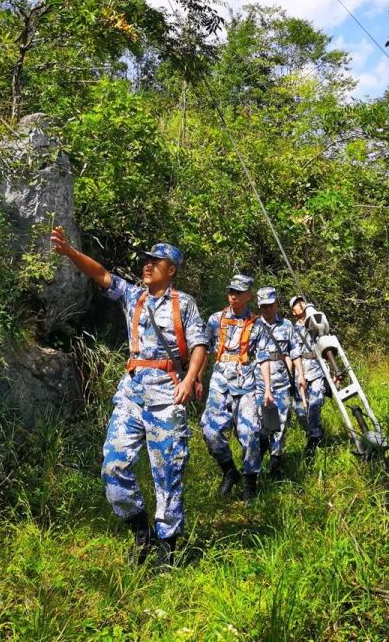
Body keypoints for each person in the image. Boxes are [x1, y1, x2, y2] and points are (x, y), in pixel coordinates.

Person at [50, 227, 207, 567]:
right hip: (132, 396)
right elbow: (102, 274)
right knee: (114, 466)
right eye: (147, 260)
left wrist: (190, 380)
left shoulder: (185, 304)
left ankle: (169, 549)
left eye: (156, 261)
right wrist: (70, 253)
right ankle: (142, 534)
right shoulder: (133, 296)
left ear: (171, 270)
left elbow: (199, 346)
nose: (147, 265)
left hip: (167, 397)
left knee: (168, 475)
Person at [199, 273, 263, 502]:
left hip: (246, 382)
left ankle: (250, 481)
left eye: (238, 292)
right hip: (220, 380)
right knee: (210, 430)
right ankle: (229, 472)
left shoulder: (257, 324)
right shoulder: (215, 319)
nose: (233, 296)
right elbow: (203, 349)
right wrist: (196, 377)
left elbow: (264, 359)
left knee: (249, 432)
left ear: (249, 295)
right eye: (230, 291)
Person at [254, 286, 306, 479]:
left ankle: (275, 466)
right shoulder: (254, 326)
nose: (266, 310)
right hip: (259, 384)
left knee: (280, 425)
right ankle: (255, 465)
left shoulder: (287, 326)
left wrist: (300, 375)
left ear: (276, 304)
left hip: (282, 383)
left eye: (269, 305)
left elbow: (295, 352)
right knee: (261, 426)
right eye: (262, 306)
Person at [289, 295, 328, 456]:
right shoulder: (291, 329)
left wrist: (332, 373)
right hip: (300, 372)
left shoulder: (315, 323)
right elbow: (290, 353)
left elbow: (326, 344)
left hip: (317, 370)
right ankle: (314, 433)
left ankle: (315, 438)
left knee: (315, 403)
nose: (301, 305)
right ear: (293, 312)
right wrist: (292, 377)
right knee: (299, 410)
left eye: (302, 302)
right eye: (297, 304)